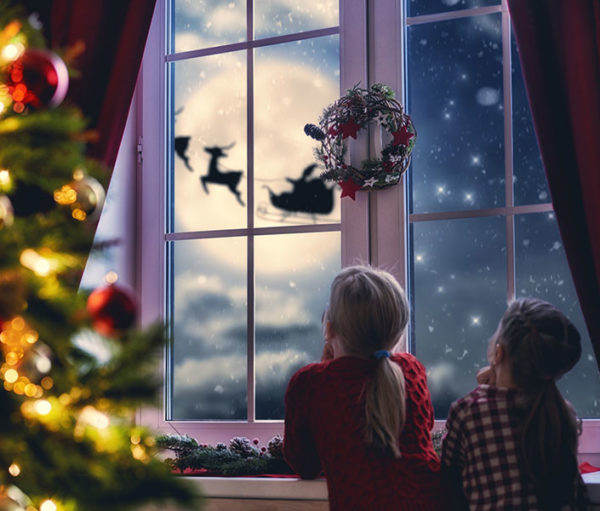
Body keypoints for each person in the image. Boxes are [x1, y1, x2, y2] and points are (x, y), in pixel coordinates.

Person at [283, 265, 446, 511]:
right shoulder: (411, 370)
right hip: (434, 501)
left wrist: (325, 368)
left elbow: (305, 464)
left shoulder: (310, 383)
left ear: (329, 329)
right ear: (398, 330)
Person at [442, 298, 589, 510]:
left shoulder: (469, 411)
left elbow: (450, 478)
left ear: (498, 353)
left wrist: (483, 391)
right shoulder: (562, 412)